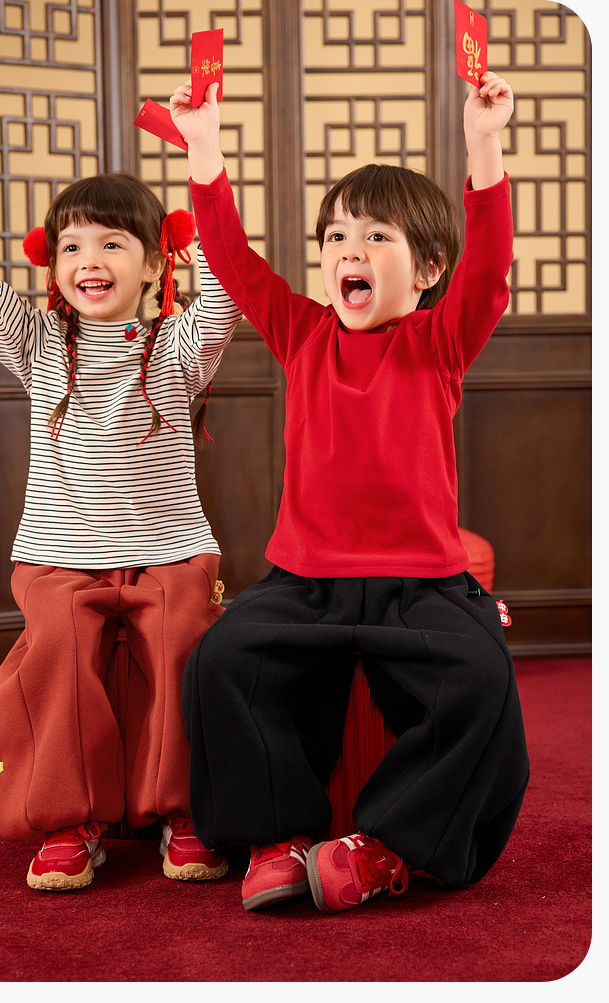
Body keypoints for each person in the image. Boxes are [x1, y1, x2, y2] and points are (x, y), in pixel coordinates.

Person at [170, 71, 530, 913]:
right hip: (306, 583)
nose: (349, 252)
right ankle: (277, 838)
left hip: (423, 586)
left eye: (375, 236)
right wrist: (204, 147)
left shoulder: (440, 341)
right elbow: (233, 260)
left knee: (483, 681)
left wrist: (483, 142)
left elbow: (490, 268)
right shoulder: (301, 331)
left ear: (428, 268)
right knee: (222, 661)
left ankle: (381, 847)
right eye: (336, 236)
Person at [0, 115, 241, 891]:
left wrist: (205, 161)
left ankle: (185, 811)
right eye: (71, 246)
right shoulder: (37, 341)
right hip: (57, 555)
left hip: (171, 550)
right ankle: (70, 821)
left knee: (185, 647)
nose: (88, 261)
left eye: (111, 243)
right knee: (61, 657)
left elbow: (228, 296)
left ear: (155, 262)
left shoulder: (176, 345)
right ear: (52, 263)